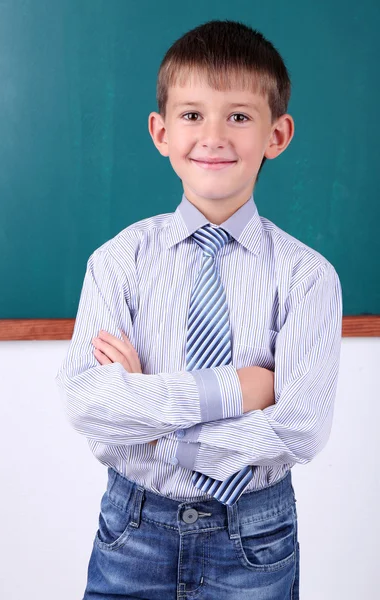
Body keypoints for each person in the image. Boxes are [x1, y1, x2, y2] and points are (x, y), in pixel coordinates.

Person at [55, 18, 343, 599]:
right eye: (192, 115)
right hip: (132, 531)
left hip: (253, 538)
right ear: (161, 132)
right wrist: (237, 390)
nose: (213, 136)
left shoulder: (307, 276)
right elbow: (87, 402)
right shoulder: (118, 261)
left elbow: (301, 428)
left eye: (238, 116)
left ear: (276, 135)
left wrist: (149, 413)